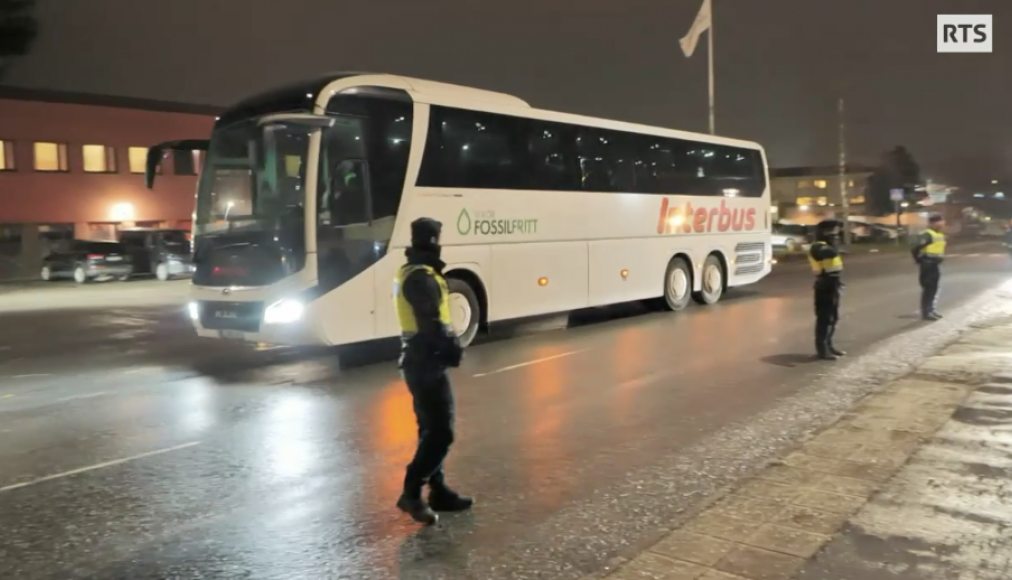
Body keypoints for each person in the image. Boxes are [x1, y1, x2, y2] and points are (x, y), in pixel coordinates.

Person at [393, 217, 473, 525]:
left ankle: (438, 490)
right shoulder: (421, 277)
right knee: (442, 431)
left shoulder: (413, 271)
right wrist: (452, 349)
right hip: (425, 361)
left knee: (430, 429)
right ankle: (411, 492)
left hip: (420, 360)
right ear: (433, 239)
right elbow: (432, 323)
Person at [808, 220, 846, 360]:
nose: (836, 234)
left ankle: (829, 345)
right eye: (833, 231)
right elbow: (830, 253)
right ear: (825, 232)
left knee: (833, 318)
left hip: (833, 284)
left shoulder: (828, 245)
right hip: (824, 285)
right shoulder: (818, 246)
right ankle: (822, 350)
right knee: (824, 318)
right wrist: (834, 243)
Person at [911, 215, 946, 321]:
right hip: (927, 264)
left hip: (934, 265)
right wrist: (919, 260)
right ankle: (926, 313)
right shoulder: (927, 234)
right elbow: (915, 248)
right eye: (939, 222)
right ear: (932, 223)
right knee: (929, 289)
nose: (942, 224)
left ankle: (931, 310)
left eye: (942, 222)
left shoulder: (938, 234)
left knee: (934, 288)